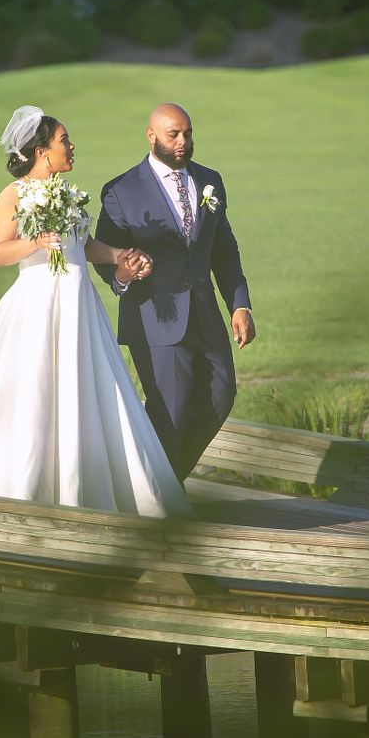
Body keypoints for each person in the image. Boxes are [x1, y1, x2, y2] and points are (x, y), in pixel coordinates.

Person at [0, 106, 191, 517]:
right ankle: (27, 488)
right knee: (35, 392)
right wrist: (35, 242)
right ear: (43, 152)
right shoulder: (13, 194)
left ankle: (84, 485)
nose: (72, 146)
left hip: (79, 307)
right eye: (64, 140)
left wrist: (122, 254)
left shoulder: (68, 194)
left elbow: (83, 245)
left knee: (86, 390)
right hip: (37, 309)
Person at [94, 103, 254, 483]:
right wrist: (122, 273)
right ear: (151, 136)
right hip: (155, 320)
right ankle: (156, 499)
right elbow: (104, 254)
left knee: (221, 395)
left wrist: (240, 302)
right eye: (173, 135)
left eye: (188, 133)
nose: (183, 142)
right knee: (172, 411)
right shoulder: (121, 191)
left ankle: (162, 484)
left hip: (206, 314)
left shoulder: (210, 180)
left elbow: (223, 249)